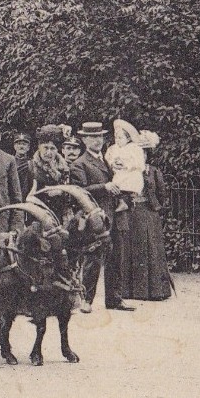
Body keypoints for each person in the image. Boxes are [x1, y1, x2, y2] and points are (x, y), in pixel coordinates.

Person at [68, 121, 134, 313]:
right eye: (92, 137)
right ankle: (87, 299)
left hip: (115, 214)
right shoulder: (79, 164)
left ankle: (114, 299)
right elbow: (80, 191)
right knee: (93, 258)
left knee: (116, 257)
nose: (97, 141)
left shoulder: (109, 159)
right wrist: (103, 187)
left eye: (100, 137)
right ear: (84, 139)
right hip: (96, 217)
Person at [122, 130, 171, 301]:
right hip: (130, 213)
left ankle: (155, 291)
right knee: (130, 250)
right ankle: (131, 291)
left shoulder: (153, 171)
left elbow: (162, 194)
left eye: (141, 153)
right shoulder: (125, 171)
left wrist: (154, 206)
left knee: (151, 249)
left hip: (148, 213)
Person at [27, 125, 71, 221]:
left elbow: (70, 195)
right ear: (39, 147)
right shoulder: (29, 167)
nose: (49, 152)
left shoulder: (65, 168)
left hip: (59, 217)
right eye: (45, 148)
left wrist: (61, 192)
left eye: (53, 148)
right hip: (37, 219)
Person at [105, 119, 146, 212]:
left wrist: (126, 165)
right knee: (116, 184)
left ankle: (126, 202)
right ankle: (121, 201)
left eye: (120, 138)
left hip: (130, 173)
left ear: (128, 139)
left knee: (128, 181)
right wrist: (113, 163)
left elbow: (139, 163)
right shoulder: (113, 148)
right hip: (118, 172)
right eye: (116, 138)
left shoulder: (134, 148)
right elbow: (108, 158)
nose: (117, 140)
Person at [12, 132, 33, 199]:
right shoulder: (9, 162)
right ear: (14, 146)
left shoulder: (32, 163)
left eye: (24, 144)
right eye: (19, 144)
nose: (21, 146)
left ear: (28, 147)